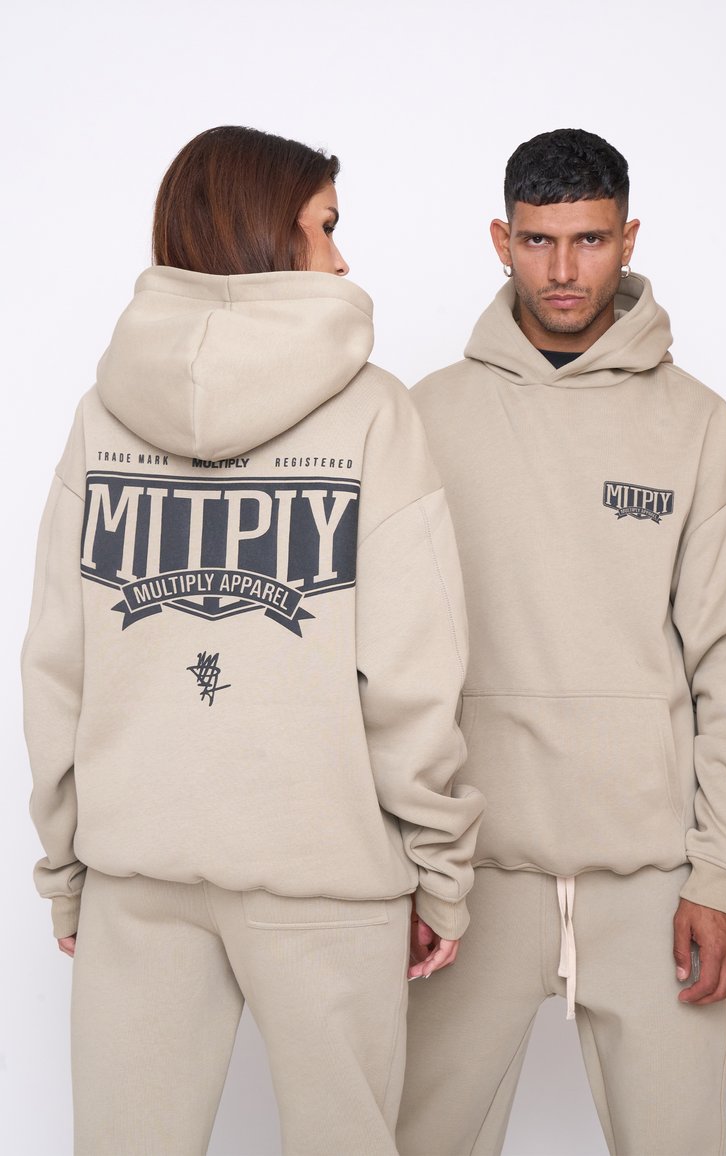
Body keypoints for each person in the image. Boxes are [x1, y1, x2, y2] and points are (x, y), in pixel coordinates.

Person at [21, 125, 484, 1156]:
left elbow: (56, 663)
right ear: (267, 233)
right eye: (325, 226)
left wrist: (68, 864)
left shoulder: (102, 418)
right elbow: (413, 672)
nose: (342, 259)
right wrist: (440, 869)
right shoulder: (372, 414)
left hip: (139, 871)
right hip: (330, 875)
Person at [397, 128, 726, 1156]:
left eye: (589, 240)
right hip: (468, 882)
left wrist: (720, 878)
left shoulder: (694, 425)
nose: (563, 269)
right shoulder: (424, 417)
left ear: (628, 238)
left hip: (652, 883)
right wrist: (406, 866)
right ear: (501, 240)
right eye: (537, 241)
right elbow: (383, 664)